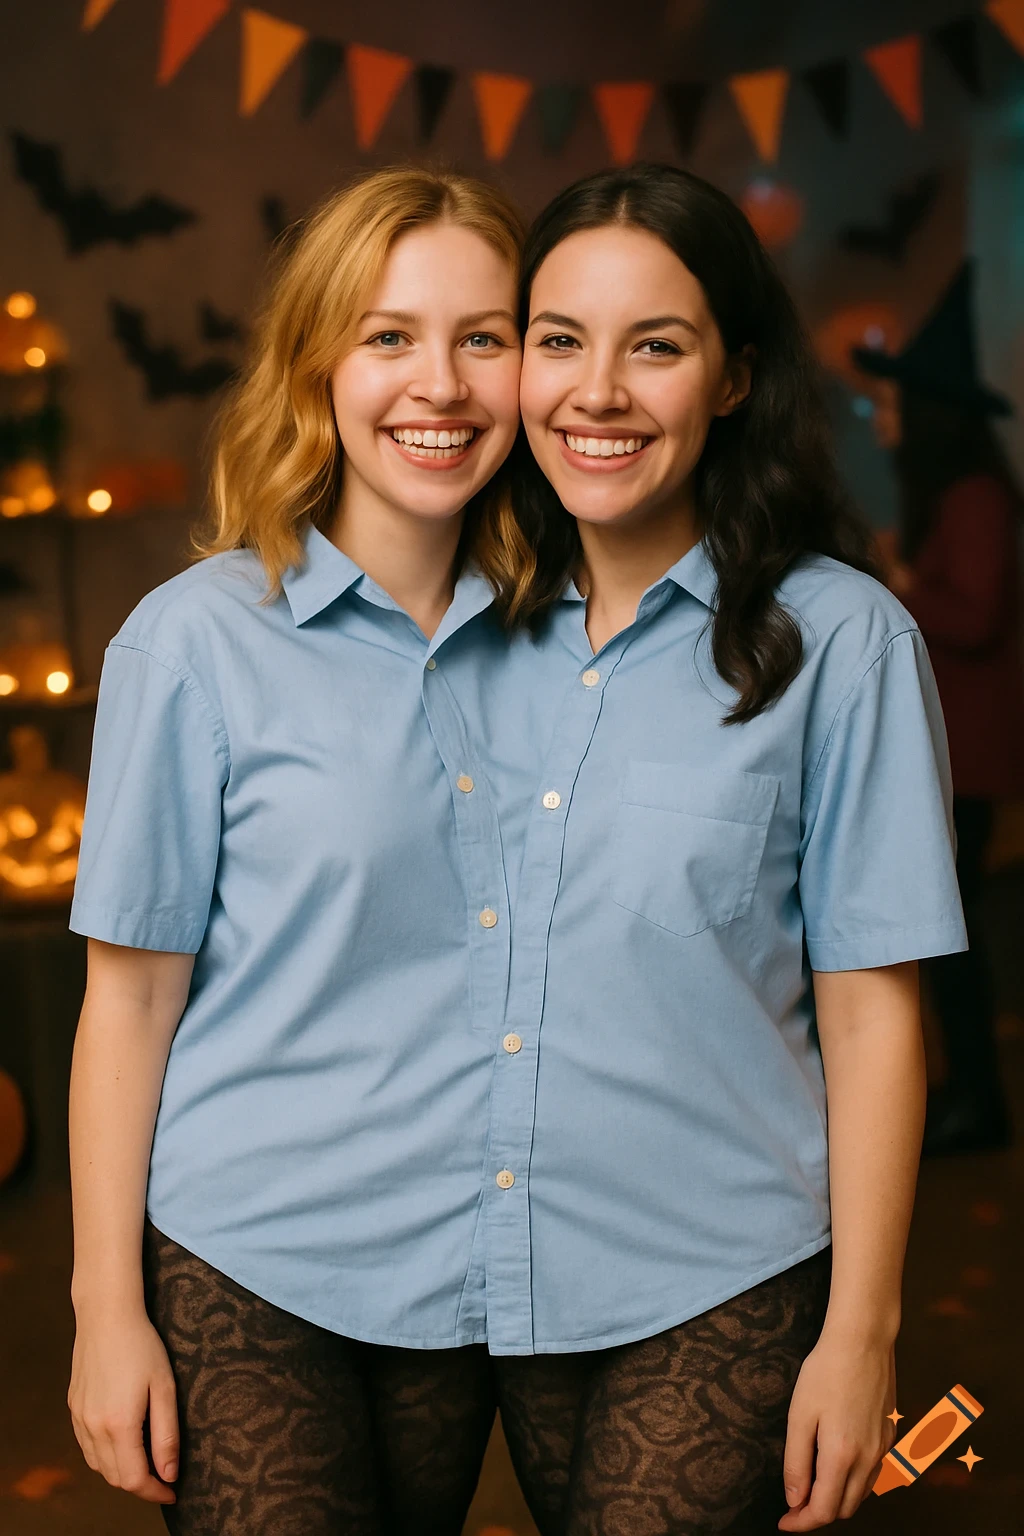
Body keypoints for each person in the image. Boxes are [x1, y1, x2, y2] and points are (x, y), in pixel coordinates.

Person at [453, 163, 969, 1535]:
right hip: (491, 1273)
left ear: (733, 378)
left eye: (657, 346)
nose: (597, 393)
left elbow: (875, 1019)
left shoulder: (845, 641)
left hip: (727, 1276)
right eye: (559, 340)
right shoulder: (454, 633)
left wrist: (862, 1334)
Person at [65, 166, 526, 1535]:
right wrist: (104, 1307)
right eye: (388, 336)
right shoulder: (191, 643)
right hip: (242, 1260)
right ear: (317, 363)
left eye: (483, 337)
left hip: (464, 1268)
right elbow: (129, 999)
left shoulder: (575, 645)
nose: (437, 383)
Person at [854, 261, 1023, 1156]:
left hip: (973, 752)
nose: (884, 423)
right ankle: (963, 1095)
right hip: (954, 747)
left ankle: (976, 1105)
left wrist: (904, 582)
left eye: (893, 407)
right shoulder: (958, 497)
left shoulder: (976, 498)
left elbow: (977, 614)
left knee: (950, 939)